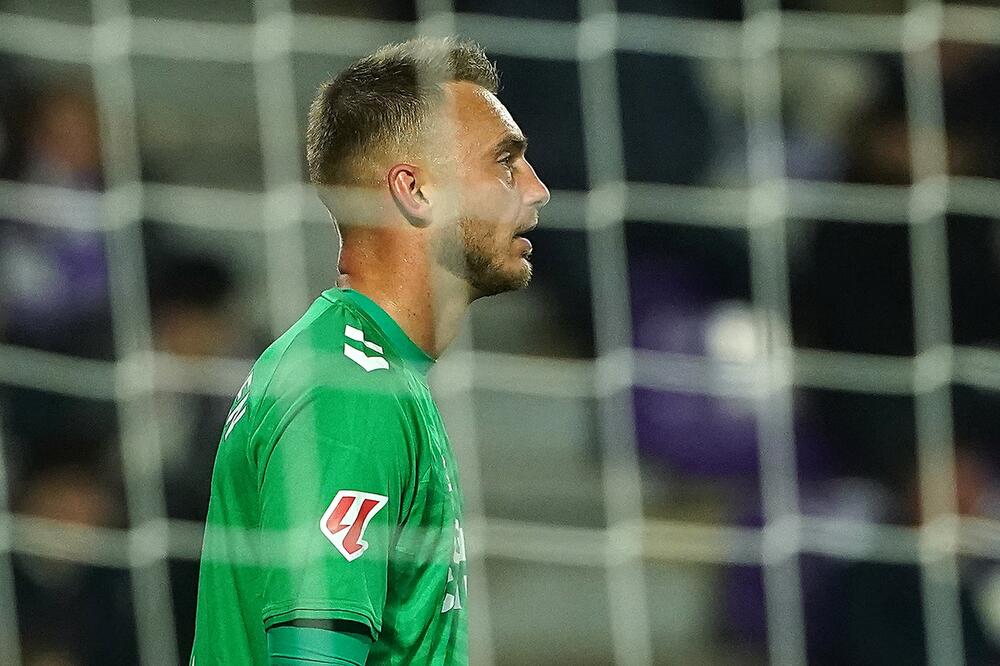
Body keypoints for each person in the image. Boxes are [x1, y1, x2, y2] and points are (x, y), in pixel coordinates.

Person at [190, 37, 549, 665]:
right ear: (415, 191)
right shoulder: (349, 390)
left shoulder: (374, 371)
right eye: (505, 162)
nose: (537, 189)